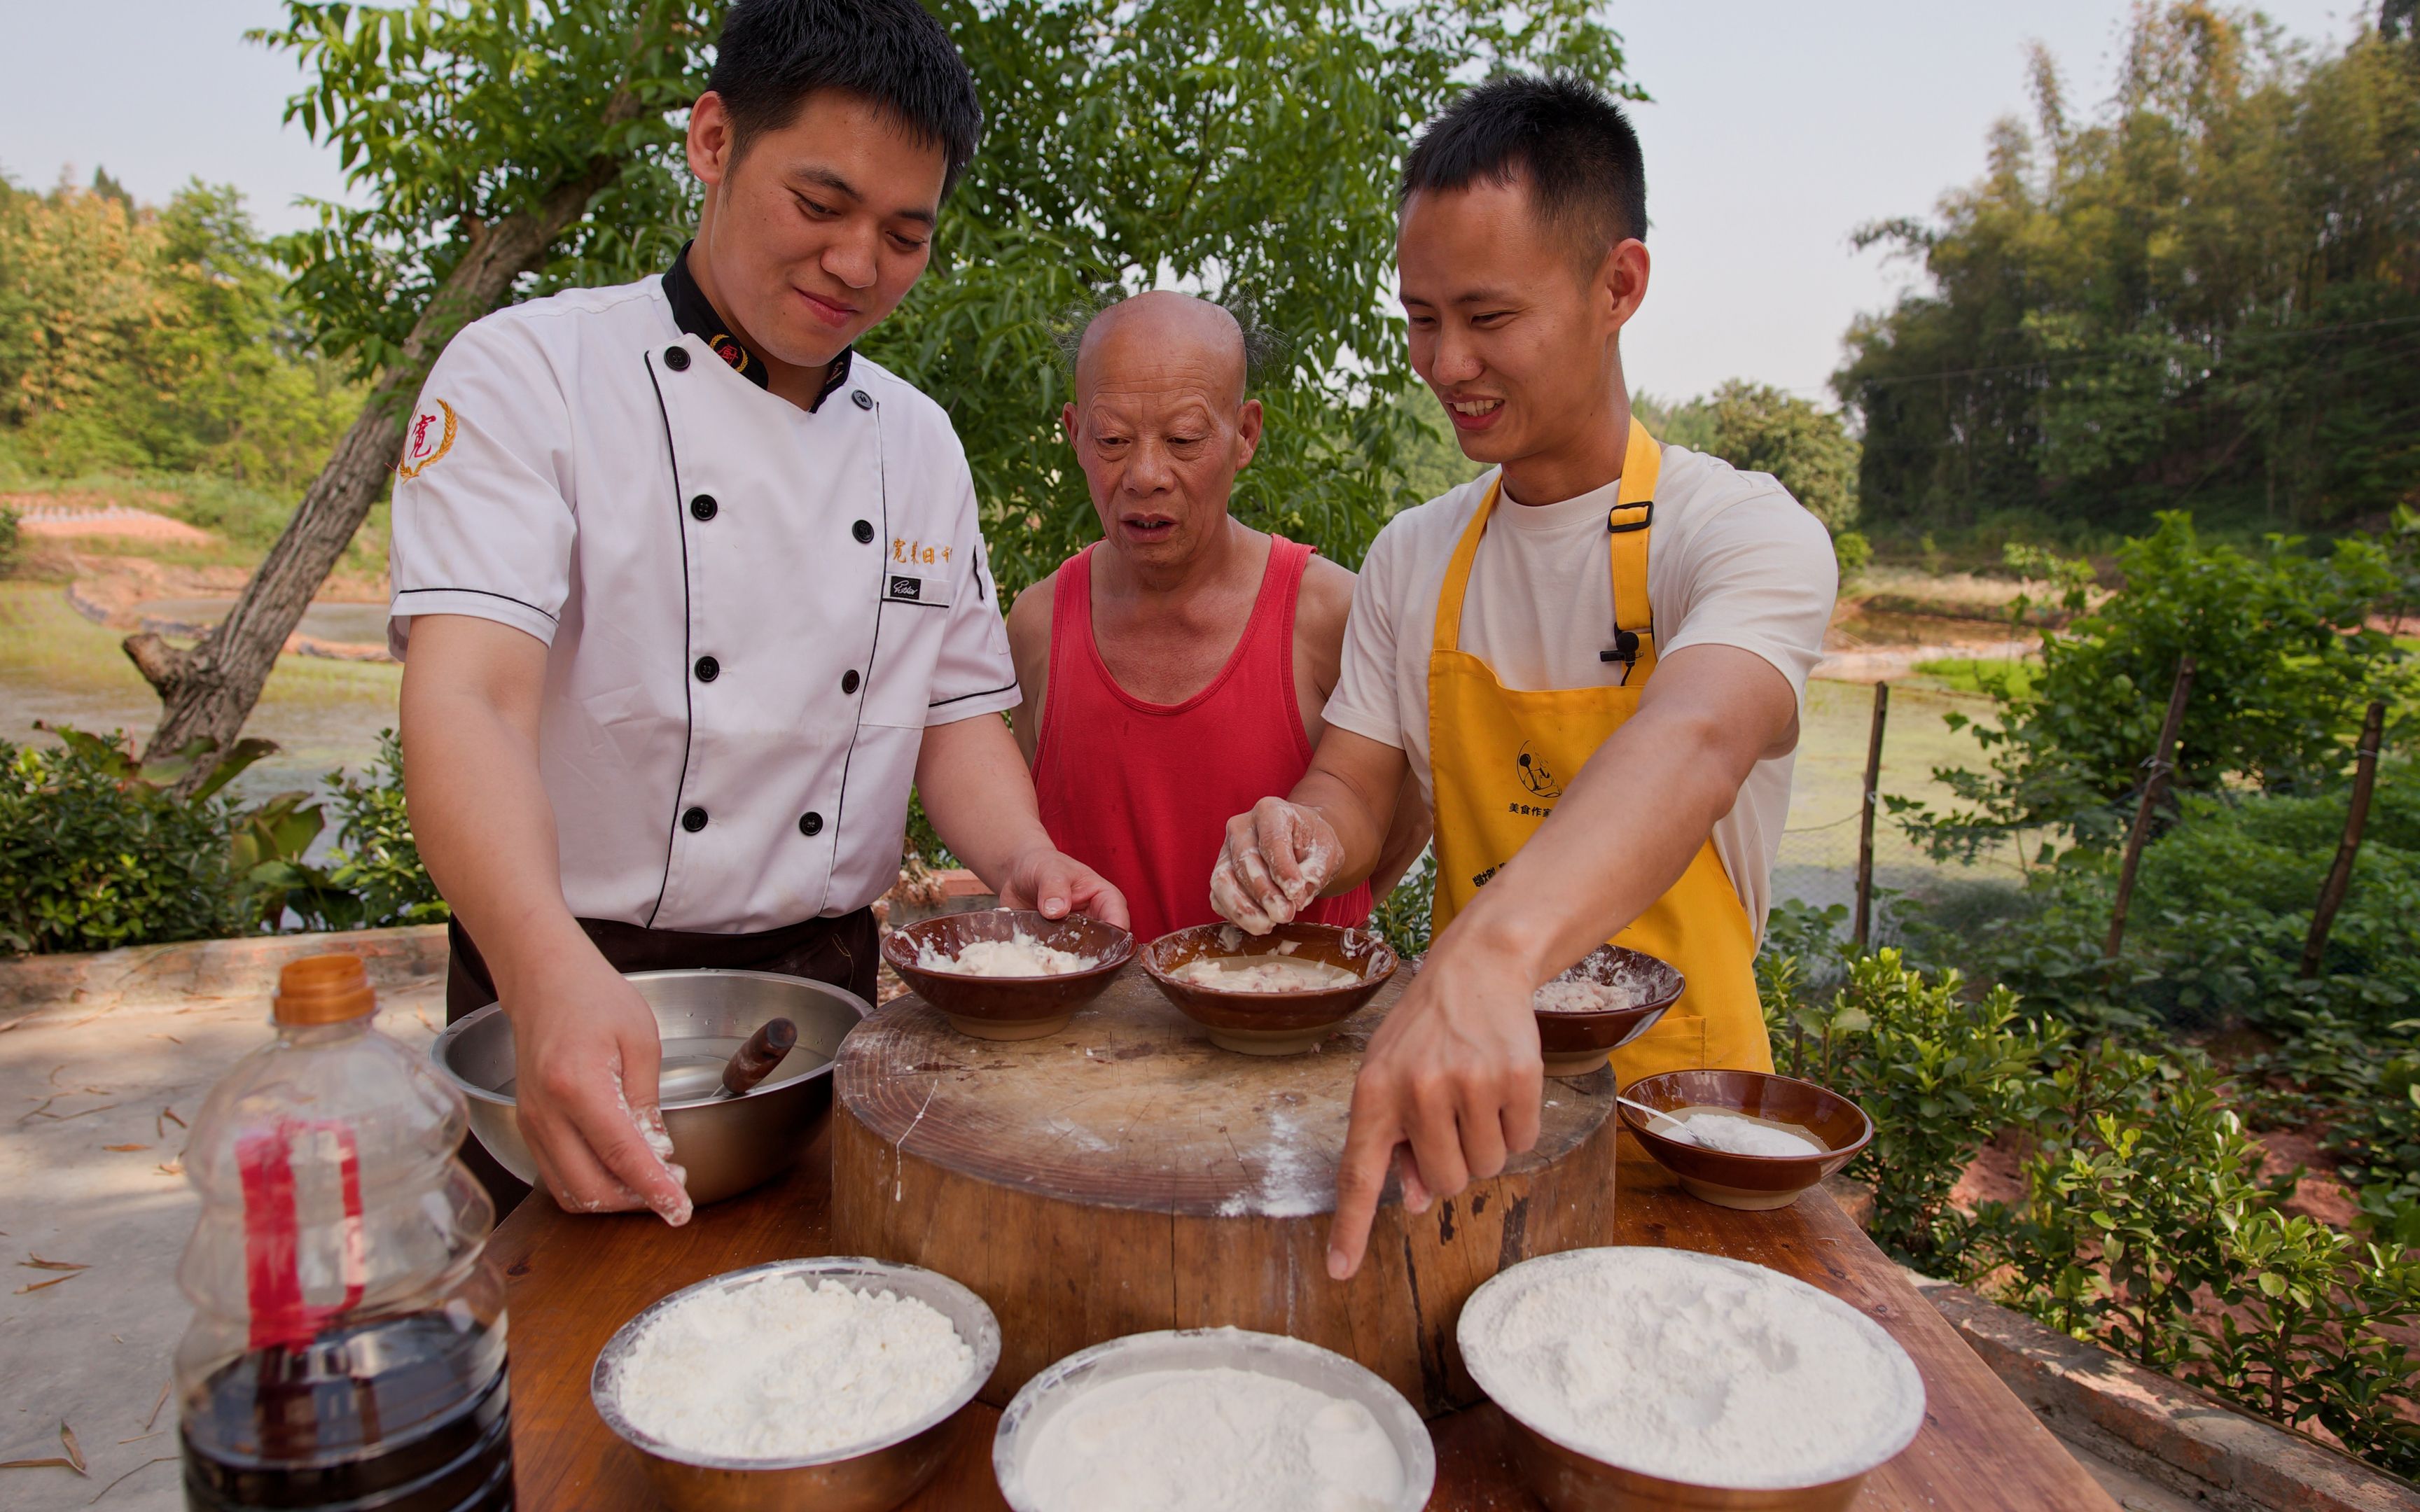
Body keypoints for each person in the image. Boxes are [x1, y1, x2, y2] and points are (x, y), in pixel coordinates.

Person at [391, 0, 1125, 1226]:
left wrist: (1026, 861)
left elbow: (950, 719)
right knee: (569, 1355)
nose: (857, 265)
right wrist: (540, 968)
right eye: (821, 206)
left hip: (830, 991)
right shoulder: (530, 375)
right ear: (715, 139)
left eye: (904, 233)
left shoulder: (918, 443)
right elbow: (466, 697)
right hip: (566, 967)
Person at [1209, 74, 1837, 1279]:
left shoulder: (1741, 533)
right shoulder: (1416, 554)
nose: (1446, 362)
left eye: (1487, 316)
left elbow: (1699, 737)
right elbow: (1353, 783)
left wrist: (1486, 957)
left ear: (1619, 286)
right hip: (1464, 1121)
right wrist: (1300, 832)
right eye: (1421, 317)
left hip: (1687, 1136)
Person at [1008, 293, 1429, 944]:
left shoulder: (1332, 616)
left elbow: (1400, 815)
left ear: (1245, 436)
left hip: (1287, 1024)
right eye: (1114, 440)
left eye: (1184, 439)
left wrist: (1316, 900)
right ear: (1074, 434)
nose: (1146, 476)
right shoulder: (1039, 625)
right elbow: (1025, 827)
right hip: (1090, 1036)